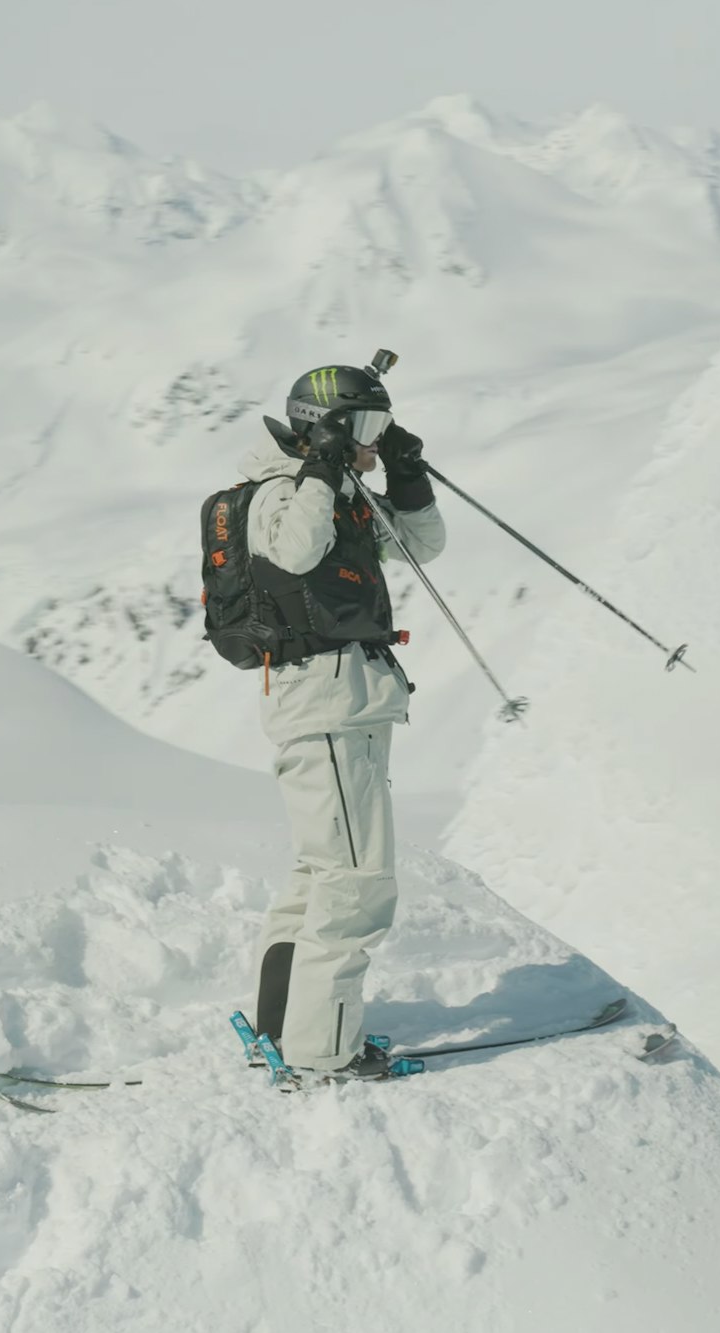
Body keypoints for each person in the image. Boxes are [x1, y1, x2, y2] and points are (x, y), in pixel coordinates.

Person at [242, 363, 446, 1077]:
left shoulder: (331, 492)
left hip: (345, 702)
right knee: (356, 878)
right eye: (362, 428)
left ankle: (281, 1029)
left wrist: (407, 473)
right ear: (317, 427)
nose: (372, 443)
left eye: (380, 429)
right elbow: (293, 552)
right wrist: (325, 470)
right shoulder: (282, 491)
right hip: (325, 703)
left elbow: (421, 547)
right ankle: (324, 1051)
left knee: (321, 872)